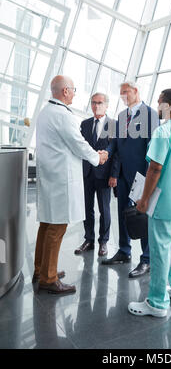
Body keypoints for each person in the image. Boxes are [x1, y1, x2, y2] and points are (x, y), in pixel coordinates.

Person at [33, 75, 108, 295]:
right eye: (73, 89)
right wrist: (98, 158)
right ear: (65, 91)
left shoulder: (46, 112)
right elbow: (78, 144)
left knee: (46, 225)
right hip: (60, 181)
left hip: (50, 177)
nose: (75, 93)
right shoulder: (63, 115)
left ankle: (42, 269)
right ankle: (48, 278)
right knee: (57, 227)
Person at [127, 88, 171, 317]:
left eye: (159, 102)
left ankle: (157, 302)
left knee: (160, 249)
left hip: (163, 202)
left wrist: (144, 199)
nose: (157, 106)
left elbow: (155, 168)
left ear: (167, 105)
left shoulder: (163, 132)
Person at [102, 81, 159, 278]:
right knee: (123, 214)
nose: (123, 96)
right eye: (121, 94)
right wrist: (106, 153)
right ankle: (124, 251)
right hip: (124, 175)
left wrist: (147, 179)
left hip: (141, 175)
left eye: (126, 92)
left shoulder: (150, 114)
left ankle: (147, 259)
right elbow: (116, 144)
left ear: (136, 91)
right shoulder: (121, 116)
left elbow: (152, 147)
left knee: (141, 215)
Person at [74, 92, 120, 257]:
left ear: (107, 105)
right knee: (87, 208)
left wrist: (114, 175)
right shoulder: (85, 124)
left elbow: (116, 153)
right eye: (93, 102)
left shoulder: (114, 125)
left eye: (100, 103)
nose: (96, 105)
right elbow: (80, 148)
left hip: (105, 175)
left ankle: (104, 241)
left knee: (104, 209)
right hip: (86, 173)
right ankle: (89, 240)